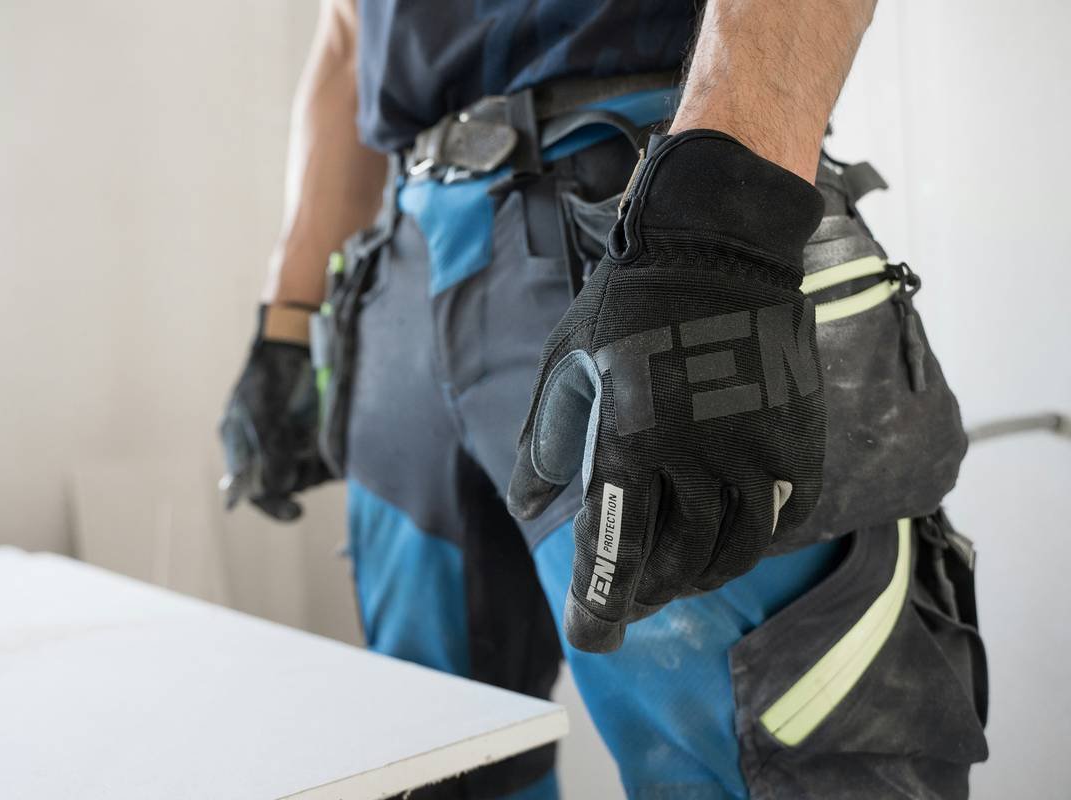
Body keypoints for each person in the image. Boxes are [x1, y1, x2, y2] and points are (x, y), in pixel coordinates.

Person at [220, 1, 989, 797]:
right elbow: (348, 30)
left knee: (770, 764)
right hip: (405, 268)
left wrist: (715, 222)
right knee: (431, 759)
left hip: (646, 213)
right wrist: (289, 318)